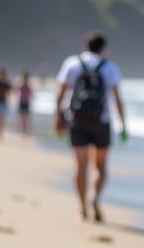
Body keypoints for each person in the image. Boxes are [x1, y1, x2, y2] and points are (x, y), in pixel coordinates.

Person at [54, 33, 127, 223]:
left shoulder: (72, 63)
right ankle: (94, 196)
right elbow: (118, 99)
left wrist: (58, 118)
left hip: (76, 120)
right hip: (101, 121)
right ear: (103, 48)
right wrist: (124, 124)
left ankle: (82, 208)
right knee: (101, 166)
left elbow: (60, 94)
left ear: (85, 46)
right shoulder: (109, 67)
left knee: (80, 167)